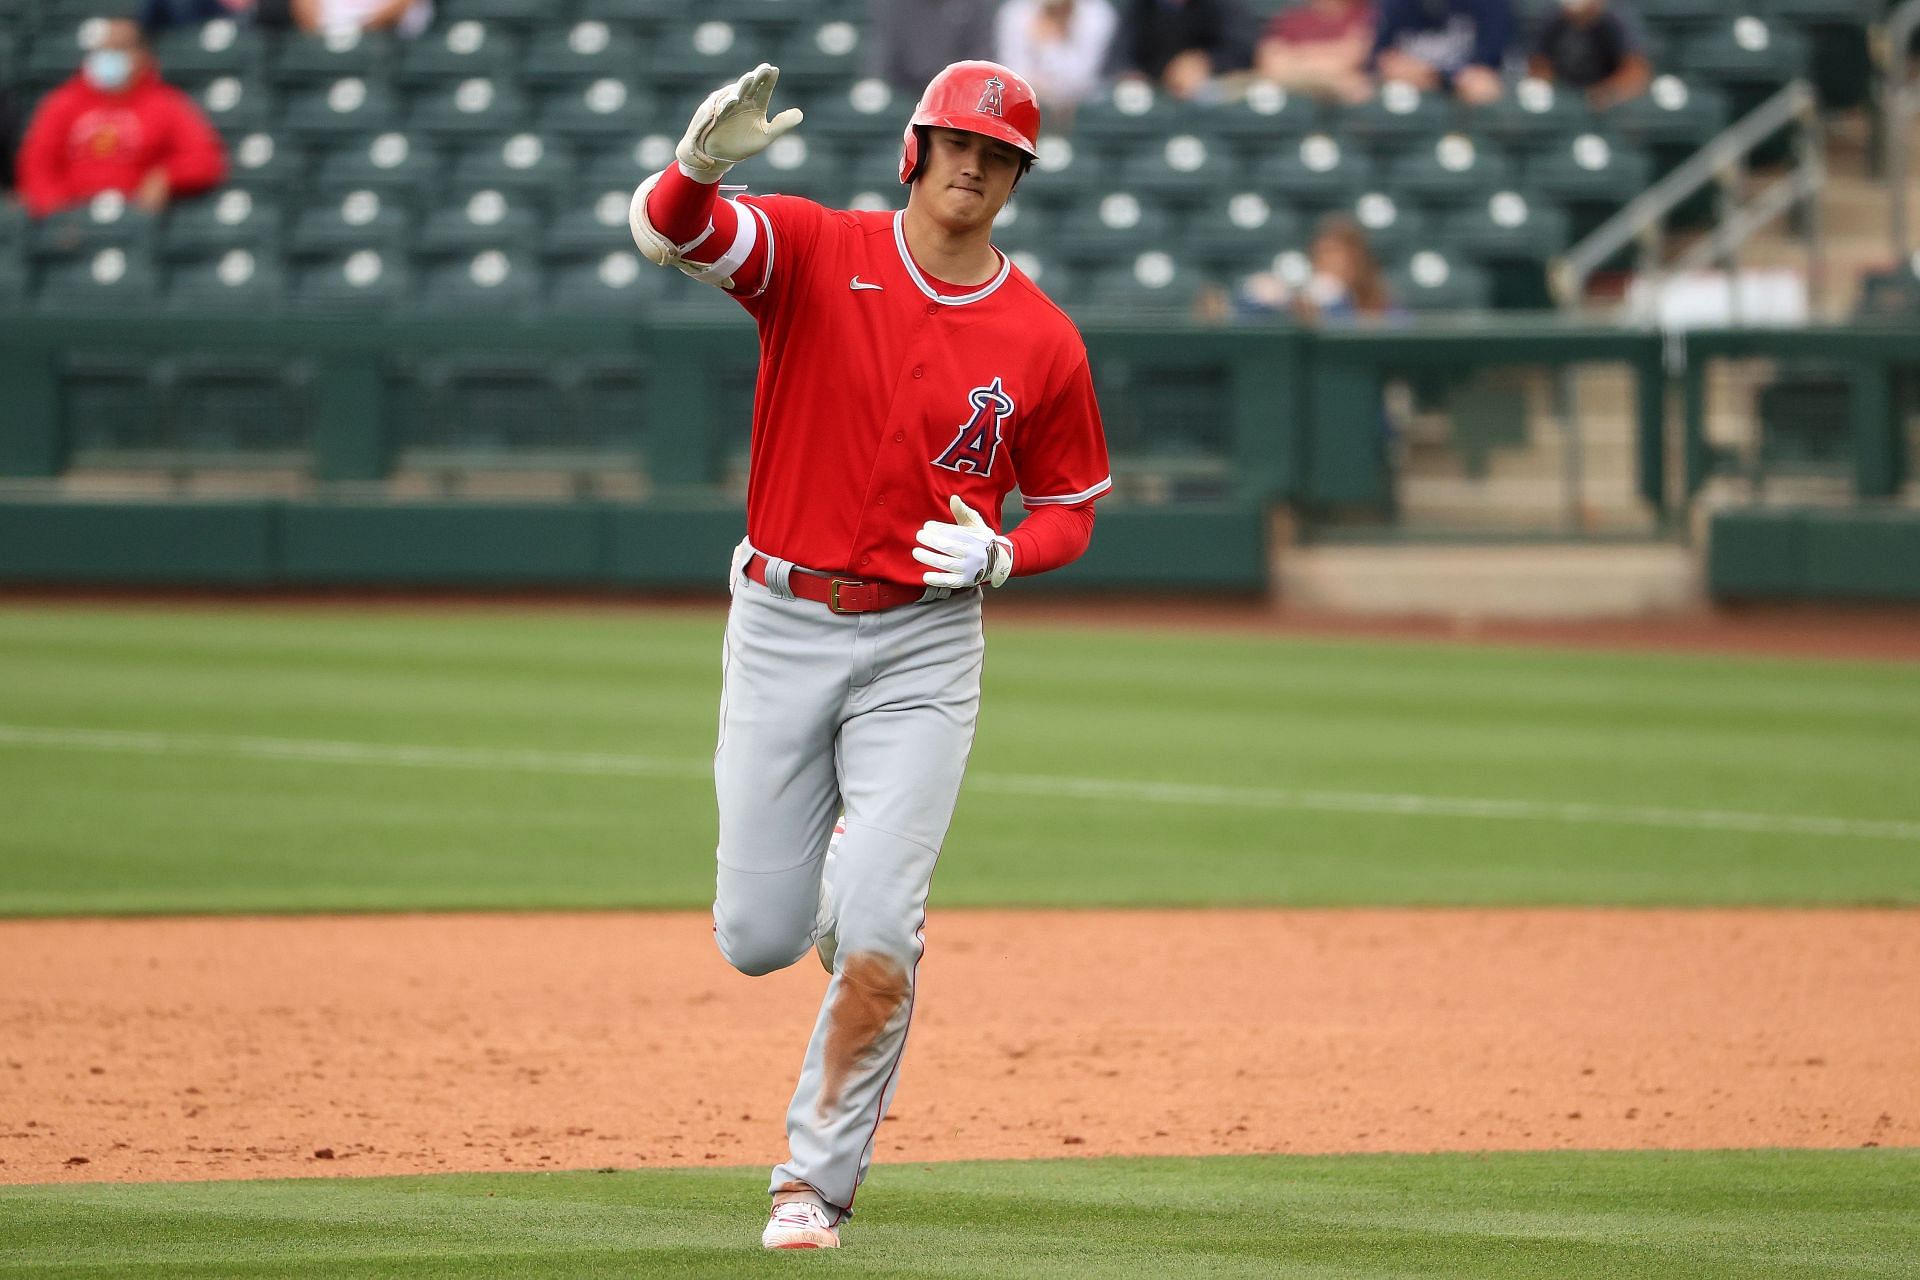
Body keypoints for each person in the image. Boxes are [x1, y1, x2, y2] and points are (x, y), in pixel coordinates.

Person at [628, 61, 1110, 1251]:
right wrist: (697, 170)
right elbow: (664, 237)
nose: (974, 165)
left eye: (999, 155)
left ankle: (811, 1183)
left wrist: (1005, 555)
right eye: (956, 142)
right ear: (915, 147)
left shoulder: (1042, 337)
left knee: (883, 934)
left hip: (925, 640)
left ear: (1018, 180)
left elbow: (1071, 506)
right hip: (783, 617)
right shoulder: (810, 248)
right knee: (756, 938)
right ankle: (854, 866)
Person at [14, 18, 228, 218]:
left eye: (119, 48)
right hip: (72, 221)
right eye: (103, 49)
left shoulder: (167, 104)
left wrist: (167, 177)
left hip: (137, 219)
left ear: (144, 56)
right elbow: (36, 167)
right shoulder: (63, 103)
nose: (108, 55)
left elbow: (205, 160)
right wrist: (57, 213)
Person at [1236, 213, 1395, 323]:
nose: (1325, 263)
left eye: (1334, 254)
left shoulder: (1383, 304)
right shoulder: (1304, 300)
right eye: (1319, 255)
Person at [1370, 0, 1512, 105]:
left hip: (1466, 95)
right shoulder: (1395, 4)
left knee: (1483, 89)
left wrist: (1438, 75)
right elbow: (1382, 58)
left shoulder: (1492, 4)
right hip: (1410, 92)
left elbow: (1486, 68)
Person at [1112, 0, 1259, 101]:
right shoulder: (1141, 7)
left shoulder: (1221, 5)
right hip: (1153, 92)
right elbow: (1120, 56)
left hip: (1211, 92)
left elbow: (1244, 49)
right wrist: (1131, 74)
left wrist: (1205, 61)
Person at [994, 0, 1120, 114]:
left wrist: (1052, 38)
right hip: (1026, 105)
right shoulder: (1015, 11)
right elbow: (1014, 75)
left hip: (1084, 109)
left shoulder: (1097, 13)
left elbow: (1079, 80)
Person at [1528, 0, 1651, 110]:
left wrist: (1607, 94)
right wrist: (1547, 90)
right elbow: (1539, 64)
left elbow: (1636, 71)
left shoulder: (1616, 18)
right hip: (1563, 97)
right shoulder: (1553, 17)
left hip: (1608, 105)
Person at [1254, 0, 1377, 103]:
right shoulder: (1293, 18)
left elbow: (1352, 57)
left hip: (1350, 117)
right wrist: (1336, 81)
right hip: (1297, 108)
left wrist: (1296, 59)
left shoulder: (1367, 15)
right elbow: (1273, 65)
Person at [869, 0, 1000, 95]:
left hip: (958, 92)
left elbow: (980, 62)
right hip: (907, 90)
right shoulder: (894, 6)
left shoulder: (978, 6)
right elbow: (885, 63)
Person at [289, 0, 432, 38]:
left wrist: (362, 29)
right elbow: (306, 15)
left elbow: (403, 5)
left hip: (388, 41)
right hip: (323, 41)